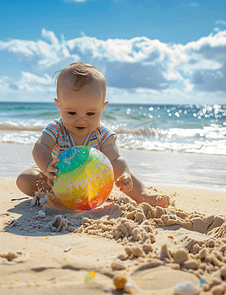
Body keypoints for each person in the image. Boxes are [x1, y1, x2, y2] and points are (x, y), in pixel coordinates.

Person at [16, 62, 170, 208]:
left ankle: (144, 196)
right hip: (58, 178)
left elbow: (116, 158)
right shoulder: (57, 129)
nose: (81, 119)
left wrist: (123, 174)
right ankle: (55, 195)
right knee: (25, 179)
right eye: (71, 112)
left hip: (92, 181)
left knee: (125, 176)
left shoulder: (102, 134)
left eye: (90, 113)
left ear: (102, 108)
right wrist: (47, 166)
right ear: (59, 106)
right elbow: (40, 147)